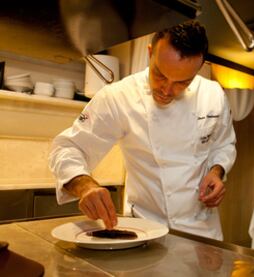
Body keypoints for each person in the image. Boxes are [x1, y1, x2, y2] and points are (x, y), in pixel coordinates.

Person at [48, 21, 236, 240]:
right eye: (160, 75)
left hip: (203, 231)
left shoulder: (213, 94)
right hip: (146, 229)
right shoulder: (118, 97)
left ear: (200, 67)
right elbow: (67, 148)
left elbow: (224, 144)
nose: (167, 90)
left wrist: (217, 171)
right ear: (150, 53)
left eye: (182, 83)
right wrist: (85, 185)